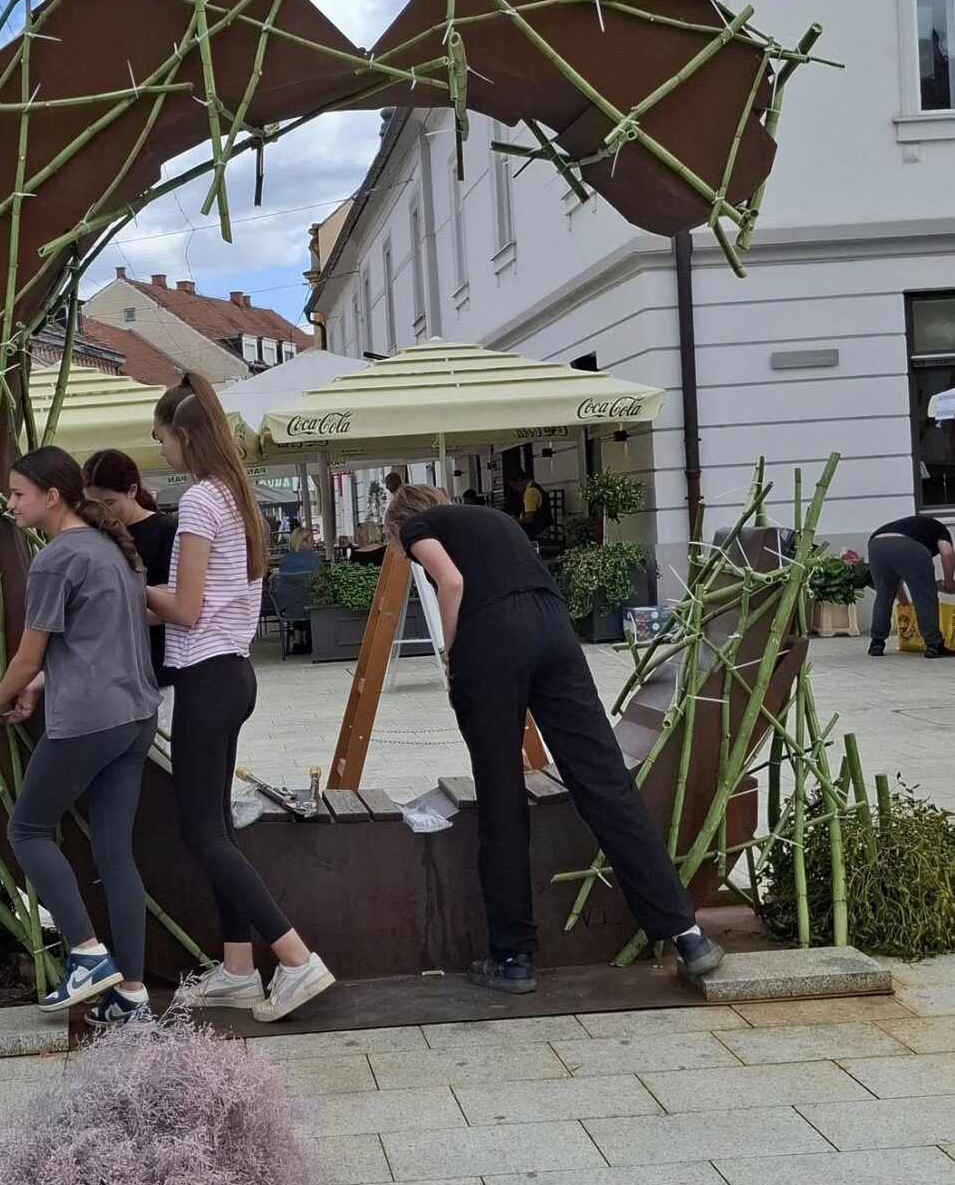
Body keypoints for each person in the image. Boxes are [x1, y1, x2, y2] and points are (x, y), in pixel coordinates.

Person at [387, 482, 724, 995]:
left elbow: (450, 582)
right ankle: (688, 934)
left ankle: (513, 957)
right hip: (553, 629)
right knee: (605, 781)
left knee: (501, 795)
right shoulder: (492, 518)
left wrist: (451, 651)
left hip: (491, 638)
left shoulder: (418, 525)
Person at [147, 371, 333, 1022]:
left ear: (187, 436)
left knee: (203, 835)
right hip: (233, 673)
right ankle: (236, 968)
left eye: (162, 437)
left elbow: (187, 605)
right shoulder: (237, 495)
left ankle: (294, 958)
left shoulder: (199, 500)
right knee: (217, 826)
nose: (159, 450)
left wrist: (122, 591)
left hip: (204, 673)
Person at [0, 446, 159, 1019]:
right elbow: (92, 638)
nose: (9, 504)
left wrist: (0, 698)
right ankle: (131, 994)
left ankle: (86, 954)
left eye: (17, 494)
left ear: (51, 496)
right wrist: (34, 689)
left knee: (28, 829)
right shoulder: (112, 549)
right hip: (136, 715)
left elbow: (29, 655)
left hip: (88, 719)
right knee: (114, 852)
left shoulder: (57, 558)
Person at [82, 447, 176, 683]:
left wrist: (108, 616)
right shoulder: (92, 533)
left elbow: (170, 605)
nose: (102, 512)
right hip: (107, 670)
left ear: (132, 491)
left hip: (155, 664)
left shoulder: (166, 530)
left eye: (110, 502)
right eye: (93, 504)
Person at [866, 510, 955, 659]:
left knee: (884, 594)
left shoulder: (912, 526)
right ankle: (934, 645)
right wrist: (949, 580)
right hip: (908, 545)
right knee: (924, 596)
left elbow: (897, 579)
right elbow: (947, 553)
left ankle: (877, 643)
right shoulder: (941, 530)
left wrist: (904, 603)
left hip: (876, 544)